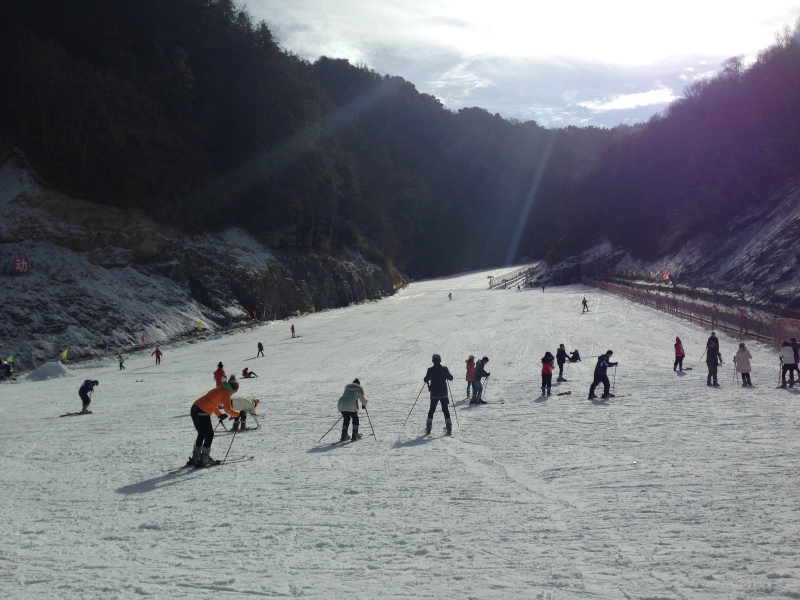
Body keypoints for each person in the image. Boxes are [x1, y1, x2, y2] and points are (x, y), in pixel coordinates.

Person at [189, 377, 241, 467]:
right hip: (202, 411)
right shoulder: (226, 393)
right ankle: (204, 458)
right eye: (235, 391)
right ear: (233, 389)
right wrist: (239, 414)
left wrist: (219, 415)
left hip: (195, 408)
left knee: (201, 433)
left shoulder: (219, 389)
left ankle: (196, 457)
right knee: (209, 434)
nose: (234, 393)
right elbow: (228, 410)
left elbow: (213, 404)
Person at [424, 354, 454, 435]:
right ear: (440, 360)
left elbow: (426, 379)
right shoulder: (444, 369)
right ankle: (449, 427)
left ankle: (428, 428)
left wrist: (428, 381)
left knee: (431, 410)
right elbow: (451, 378)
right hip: (443, 392)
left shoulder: (430, 370)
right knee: (445, 410)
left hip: (434, 393)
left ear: (433, 361)